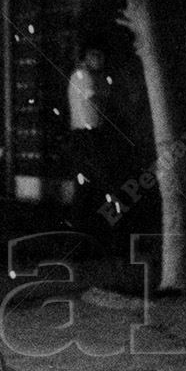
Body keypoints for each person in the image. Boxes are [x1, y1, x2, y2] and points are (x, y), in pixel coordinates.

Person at [67, 45, 115, 232]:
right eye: (95, 55)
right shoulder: (83, 76)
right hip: (87, 134)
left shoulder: (83, 75)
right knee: (93, 176)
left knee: (88, 178)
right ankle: (86, 222)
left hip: (87, 133)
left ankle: (85, 221)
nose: (99, 60)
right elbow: (93, 95)